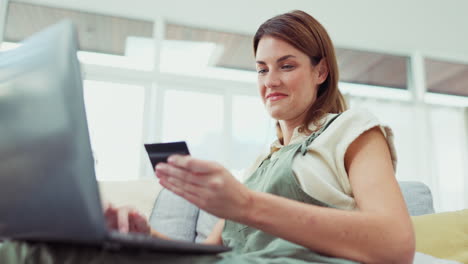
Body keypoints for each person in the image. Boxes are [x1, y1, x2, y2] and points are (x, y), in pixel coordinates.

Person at [105, 10, 415, 264]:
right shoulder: (258, 166)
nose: (271, 81)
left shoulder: (351, 129)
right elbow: (210, 253)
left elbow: (396, 244)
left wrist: (246, 204)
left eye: (287, 66)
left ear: (320, 72)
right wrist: (145, 238)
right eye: (262, 69)